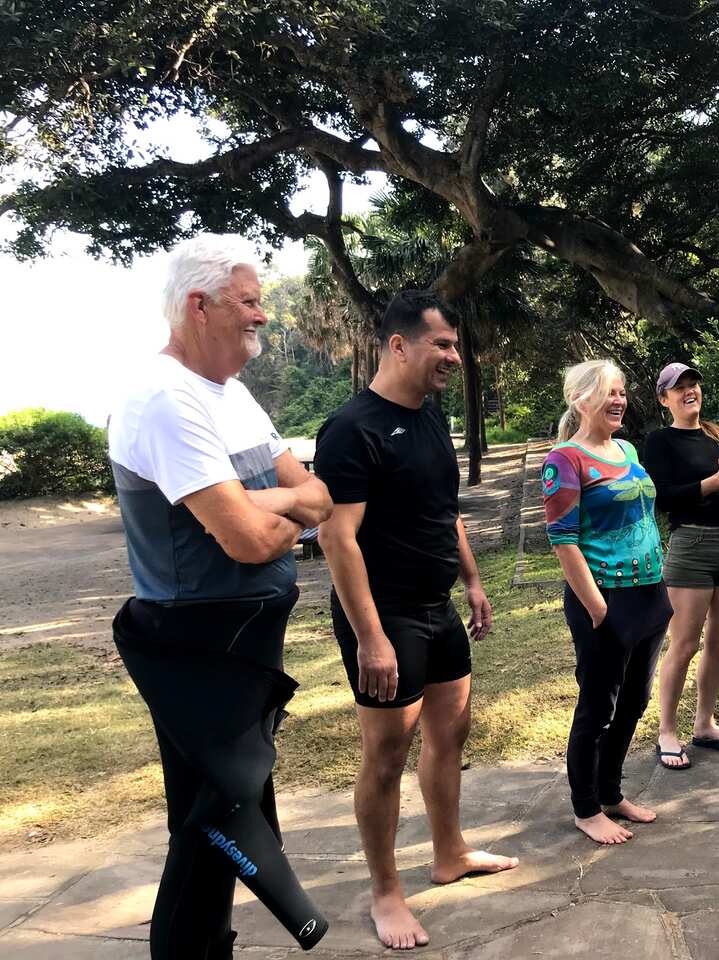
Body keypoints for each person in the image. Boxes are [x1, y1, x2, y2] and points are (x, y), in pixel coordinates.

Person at [108, 234, 334, 958]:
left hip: (243, 646)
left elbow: (320, 496)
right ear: (199, 306)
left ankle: (212, 946)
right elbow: (245, 540)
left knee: (227, 817)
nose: (263, 316)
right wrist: (281, 511)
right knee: (218, 821)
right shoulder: (166, 400)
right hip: (198, 647)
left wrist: (268, 504)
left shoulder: (229, 395)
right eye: (250, 300)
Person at [315, 290, 517, 951]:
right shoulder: (351, 429)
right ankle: (385, 892)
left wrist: (473, 579)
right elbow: (336, 539)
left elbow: (443, 509)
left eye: (456, 346)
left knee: (450, 735)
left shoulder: (429, 418)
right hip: (386, 618)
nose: (455, 358)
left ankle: (450, 852)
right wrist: (371, 638)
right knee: (385, 757)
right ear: (399, 345)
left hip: (438, 608)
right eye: (443, 345)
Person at [543, 359, 673, 844]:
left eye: (621, 392)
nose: (619, 400)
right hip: (604, 598)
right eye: (607, 393)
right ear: (580, 401)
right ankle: (585, 807)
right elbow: (564, 540)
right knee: (598, 706)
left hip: (650, 594)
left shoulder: (627, 447)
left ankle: (612, 793)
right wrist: (599, 609)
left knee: (635, 701)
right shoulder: (565, 460)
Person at [642, 362, 719, 770]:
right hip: (691, 545)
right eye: (679, 387)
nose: (690, 391)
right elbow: (662, 498)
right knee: (685, 643)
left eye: (693, 385)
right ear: (664, 398)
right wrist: (713, 484)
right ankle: (667, 731)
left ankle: (704, 724)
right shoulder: (659, 442)